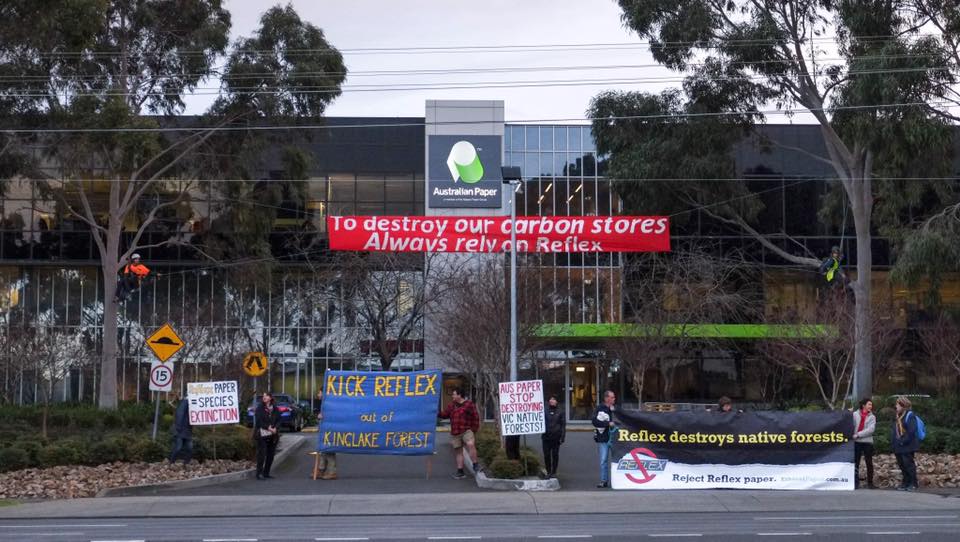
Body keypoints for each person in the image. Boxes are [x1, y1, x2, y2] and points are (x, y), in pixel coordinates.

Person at [438, 387, 481, 479]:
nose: (452, 396)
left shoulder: (469, 404)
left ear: (459, 395)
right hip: (455, 432)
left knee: (470, 444)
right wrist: (435, 412)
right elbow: (444, 415)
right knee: (458, 452)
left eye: (454, 394)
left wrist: (474, 429)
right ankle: (460, 471)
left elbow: (475, 417)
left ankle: (475, 464)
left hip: (467, 430)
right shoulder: (451, 406)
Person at [892, 396, 920, 491]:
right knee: (902, 465)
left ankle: (913, 483)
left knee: (909, 465)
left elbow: (911, 431)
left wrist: (903, 441)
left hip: (907, 445)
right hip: (899, 445)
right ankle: (906, 483)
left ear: (903, 405)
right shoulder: (898, 415)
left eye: (897, 404)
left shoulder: (910, 415)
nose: (896, 406)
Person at [592, 390, 617, 488]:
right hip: (603, 438)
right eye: (612, 397)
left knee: (617, 459)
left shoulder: (615, 409)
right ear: (607, 398)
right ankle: (604, 480)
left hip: (615, 438)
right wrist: (608, 424)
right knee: (603, 460)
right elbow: (595, 422)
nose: (614, 399)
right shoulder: (600, 409)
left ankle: (617, 480)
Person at [254, 392, 280, 480]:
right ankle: (259, 473)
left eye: (266, 396)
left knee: (271, 454)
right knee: (262, 454)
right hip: (262, 434)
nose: (264, 397)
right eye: (263, 396)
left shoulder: (275, 409)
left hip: (273, 435)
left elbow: (279, 420)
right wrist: (268, 427)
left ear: (271, 398)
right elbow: (258, 421)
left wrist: (276, 428)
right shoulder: (259, 408)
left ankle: (266, 472)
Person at [853, 398, 876, 489]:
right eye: (869, 404)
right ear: (864, 405)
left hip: (867, 442)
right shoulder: (855, 414)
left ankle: (870, 483)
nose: (871, 406)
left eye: (871, 405)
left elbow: (871, 430)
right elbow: (851, 424)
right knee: (856, 462)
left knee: (869, 462)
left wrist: (858, 434)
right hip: (857, 442)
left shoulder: (872, 416)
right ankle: (855, 482)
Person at [541, 395, 565, 479]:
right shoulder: (544, 411)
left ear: (556, 401)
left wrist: (562, 437)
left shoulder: (560, 411)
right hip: (546, 437)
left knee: (555, 455)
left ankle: (554, 472)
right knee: (546, 455)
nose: (552, 400)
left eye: (554, 399)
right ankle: (548, 472)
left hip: (556, 437)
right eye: (550, 399)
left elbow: (563, 425)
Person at [315, 390, 337, 480]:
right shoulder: (323, 404)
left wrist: (322, 416)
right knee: (323, 449)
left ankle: (332, 472)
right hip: (325, 429)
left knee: (329, 450)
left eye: (319, 392)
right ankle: (321, 469)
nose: (318, 394)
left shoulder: (329, 404)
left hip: (329, 430)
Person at [168, 392, 193, 465]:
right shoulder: (185, 402)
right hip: (181, 429)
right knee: (180, 447)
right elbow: (180, 414)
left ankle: (185, 463)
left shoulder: (188, 403)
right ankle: (172, 462)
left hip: (187, 430)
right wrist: (178, 428)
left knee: (188, 448)